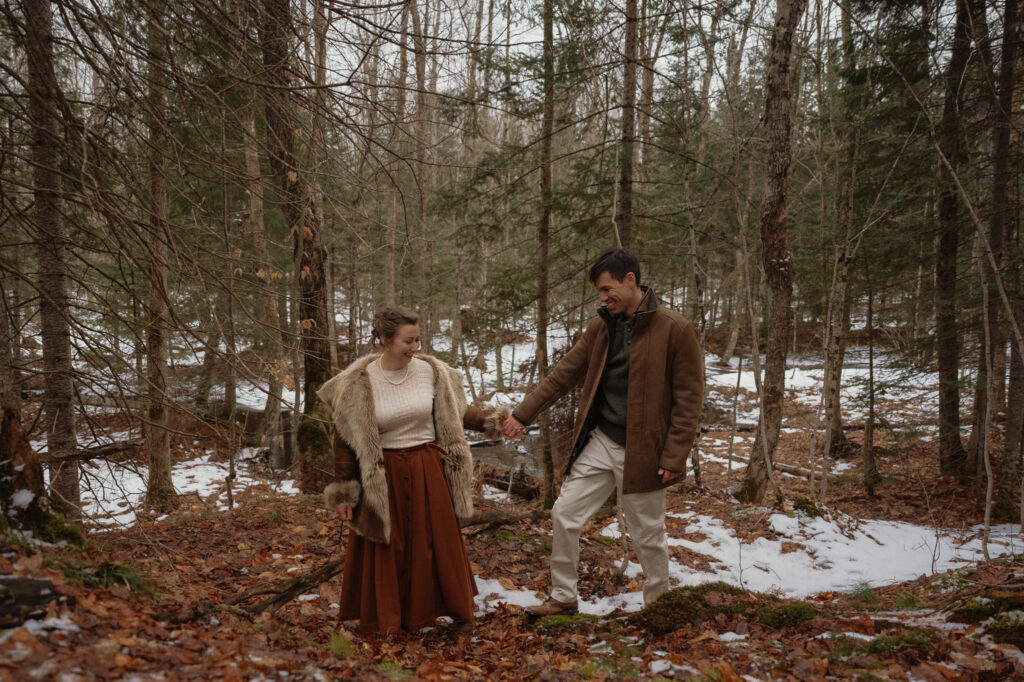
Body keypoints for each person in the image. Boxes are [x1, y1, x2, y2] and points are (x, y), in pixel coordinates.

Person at [503, 248, 703, 616]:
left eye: (607, 288)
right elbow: (565, 373)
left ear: (631, 280)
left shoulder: (675, 328)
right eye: (599, 291)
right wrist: (523, 413)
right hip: (602, 440)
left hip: (646, 452)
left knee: (647, 534)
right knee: (565, 513)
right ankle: (563, 597)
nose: (603, 297)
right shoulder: (601, 325)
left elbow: (689, 400)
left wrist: (675, 456)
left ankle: (658, 607)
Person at [319, 306, 508, 635]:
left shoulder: (431, 371)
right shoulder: (356, 383)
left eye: (418, 340)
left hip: (427, 470)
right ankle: (389, 619)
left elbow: (458, 412)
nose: (415, 347)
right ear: (385, 339)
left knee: (434, 545)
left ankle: (443, 612)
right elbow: (344, 442)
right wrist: (344, 494)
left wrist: (496, 421)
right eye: (408, 341)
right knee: (390, 547)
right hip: (383, 475)